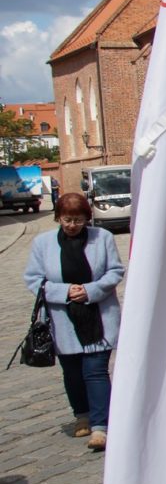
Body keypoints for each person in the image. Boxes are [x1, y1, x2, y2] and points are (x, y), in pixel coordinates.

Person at [24, 193, 124, 451]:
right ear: (58, 218)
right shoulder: (43, 243)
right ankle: (82, 414)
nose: (72, 225)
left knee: (95, 371)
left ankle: (101, 427)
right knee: (73, 372)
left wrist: (91, 290)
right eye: (67, 220)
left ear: (86, 219)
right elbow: (34, 279)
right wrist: (64, 292)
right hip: (62, 320)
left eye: (78, 220)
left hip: (98, 317)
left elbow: (115, 271)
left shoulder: (102, 239)